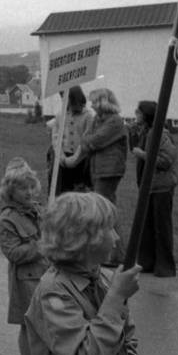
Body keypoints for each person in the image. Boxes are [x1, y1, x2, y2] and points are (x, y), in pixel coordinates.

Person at [24, 192, 142, 355]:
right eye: (110, 229)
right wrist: (115, 298)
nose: (117, 237)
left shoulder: (105, 279)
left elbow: (127, 341)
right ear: (84, 239)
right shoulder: (53, 292)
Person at [0, 158, 49, 355]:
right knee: (29, 328)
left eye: (31, 187)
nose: (29, 192)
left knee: (48, 327)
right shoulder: (7, 219)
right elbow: (13, 253)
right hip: (25, 281)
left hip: (46, 276)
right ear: (10, 190)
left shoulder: (37, 210)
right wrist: (40, 245)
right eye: (22, 188)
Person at [63, 88, 128, 264]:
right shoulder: (100, 120)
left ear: (103, 102)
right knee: (106, 209)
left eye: (94, 102)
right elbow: (86, 139)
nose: (91, 105)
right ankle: (115, 253)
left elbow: (93, 140)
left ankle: (117, 254)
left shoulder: (114, 122)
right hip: (100, 169)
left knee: (105, 211)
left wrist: (88, 142)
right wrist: (88, 142)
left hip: (109, 170)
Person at [129, 101, 177, 278]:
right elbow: (132, 149)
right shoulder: (145, 133)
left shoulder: (161, 136)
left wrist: (144, 155)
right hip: (148, 186)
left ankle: (165, 267)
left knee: (161, 226)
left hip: (161, 186)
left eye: (139, 111)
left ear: (147, 115)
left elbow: (166, 160)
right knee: (146, 225)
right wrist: (132, 134)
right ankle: (147, 263)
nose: (136, 113)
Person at [46, 86, 95, 197]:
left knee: (81, 191)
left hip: (81, 159)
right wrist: (62, 158)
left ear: (74, 98)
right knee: (63, 192)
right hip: (63, 159)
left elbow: (87, 138)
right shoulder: (60, 115)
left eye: (66, 98)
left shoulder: (88, 116)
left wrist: (75, 159)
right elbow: (56, 138)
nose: (63, 101)